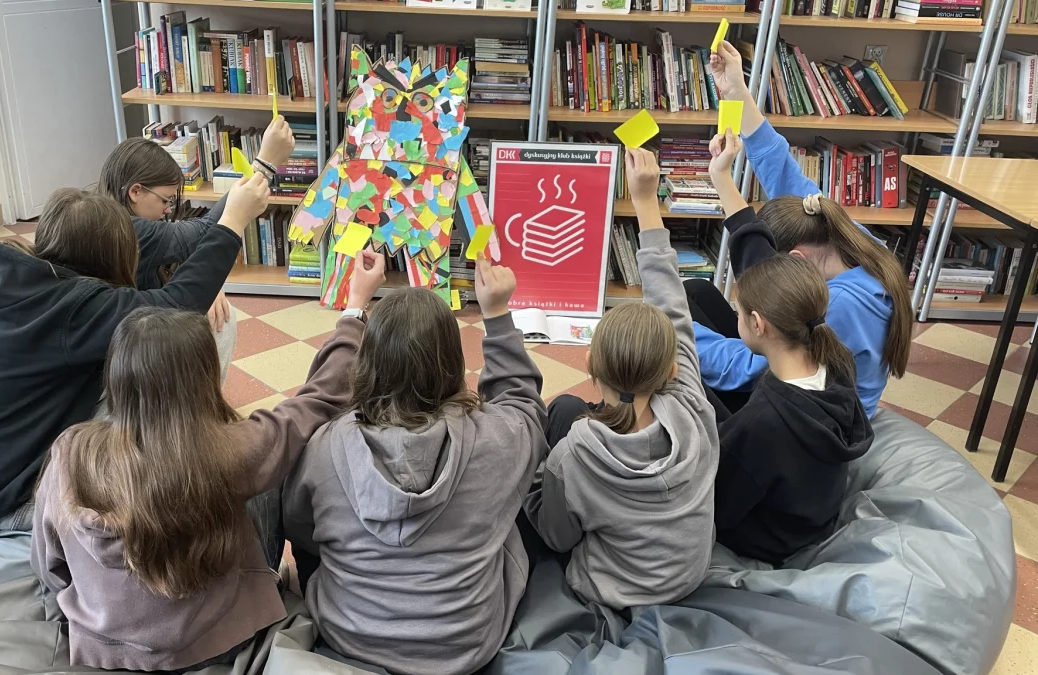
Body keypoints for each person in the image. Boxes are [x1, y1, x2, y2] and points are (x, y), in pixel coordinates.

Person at [30, 252, 384, 672]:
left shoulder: (71, 452)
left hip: (106, 647)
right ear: (203, 378)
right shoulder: (229, 449)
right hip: (221, 639)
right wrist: (355, 309)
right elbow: (319, 398)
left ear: (117, 375)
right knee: (272, 467)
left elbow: (49, 564)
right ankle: (267, 581)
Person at [0, 177, 268, 531]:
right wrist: (233, 223)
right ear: (108, 256)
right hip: (11, 501)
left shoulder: (24, 283)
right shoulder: (74, 309)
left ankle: (187, 440)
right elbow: (176, 307)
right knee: (188, 336)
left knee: (153, 347)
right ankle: (190, 443)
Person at [281, 259, 546, 675]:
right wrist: (496, 315)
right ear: (453, 364)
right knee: (518, 494)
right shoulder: (498, 438)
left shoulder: (324, 446)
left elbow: (299, 529)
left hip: (348, 636)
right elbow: (525, 407)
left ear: (367, 365)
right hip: (468, 648)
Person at [525, 148, 719, 611]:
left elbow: (556, 536)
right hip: (688, 577)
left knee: (560, 417)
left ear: (589, 363)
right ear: (672, 370)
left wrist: (535, 475)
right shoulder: (693, 405)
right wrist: (647, 201)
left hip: (613, 591)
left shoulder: (574, 454)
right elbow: (674, 308)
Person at [690, 41, 913, 417]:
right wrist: (735, 90)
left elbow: (744, 370)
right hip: (796, 375)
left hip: (812, 416)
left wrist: (674, 340)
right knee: (694, 293)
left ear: (797, 259)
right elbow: (782, 170)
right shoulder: (840, 231)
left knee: (676, 373)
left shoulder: (837, 307)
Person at [707, 130, 874, 566]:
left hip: (765, 541)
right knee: (695, 393)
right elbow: (760, 261)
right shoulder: (834, 359)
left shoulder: (762, 424)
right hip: (803, 515)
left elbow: (715, 509)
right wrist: (722, 178)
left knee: (681, 398)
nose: (735, 317)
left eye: (739, 312)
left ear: (758, 324)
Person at [98, 117, 296, 374]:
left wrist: (207, 285)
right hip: (129, 351)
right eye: (165, 200)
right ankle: (198, 397)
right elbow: (204, 232)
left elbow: (177, 259)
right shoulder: (129, 229)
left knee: (218, 310)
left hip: (133, 332)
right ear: (135, 191)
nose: (167, 209)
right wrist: (264, 164)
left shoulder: (105, 214)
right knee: (221, 323)